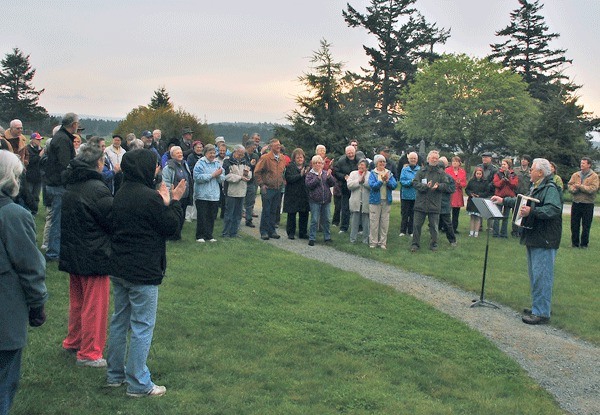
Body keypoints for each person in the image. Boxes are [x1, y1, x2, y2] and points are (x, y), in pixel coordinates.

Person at [106, 148, 185, 397]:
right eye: (154, 166)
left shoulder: (120, 194)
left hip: (119, 267)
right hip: (142, 270)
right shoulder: (149, 197)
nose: (157, 170)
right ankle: (138, 383)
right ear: (144, 169)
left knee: (120, 319)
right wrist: (173, 201)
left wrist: (163, 201)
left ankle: (115, 374)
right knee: (142, 325)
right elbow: (170, 228)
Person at [0, 151, 48, 415]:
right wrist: (37, 304)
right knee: (4, 384)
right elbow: (30, 267)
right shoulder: (13, 215)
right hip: (4, 315)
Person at [59, 144, 112, 367]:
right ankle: (90, 352)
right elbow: (112, 220)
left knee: (78, 302)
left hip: (73, 250)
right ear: (98, 163)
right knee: (95, 305)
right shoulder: (97, 189)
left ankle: (74, 340)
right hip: (94, 254)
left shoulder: (72, 184)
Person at [491, 158, 562, 325]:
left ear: (540, 173)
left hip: (544, 238)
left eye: (532, 169)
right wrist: (503, 201)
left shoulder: (550, 188)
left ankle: (542, 313)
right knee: (535, 275)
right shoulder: (536, 187)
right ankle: (538, 306)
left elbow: (553, 209)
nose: (529, 171)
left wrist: (532, 211)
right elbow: (522, 202)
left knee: (542, 276)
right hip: (534, 236)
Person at [44, 112, 79, 261]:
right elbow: (65, 165)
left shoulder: (60, 137)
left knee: (57, 219)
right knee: (57, 221)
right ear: (73, 124)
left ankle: (56, 250)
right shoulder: (63, 140)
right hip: (58, 184)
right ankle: (53, 252)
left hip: (54, 182)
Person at [410, 150, 452, 252]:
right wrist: (425, 186)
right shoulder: (421, 171)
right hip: (421, 203)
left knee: (434, 226)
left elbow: (447, 186)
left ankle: (434, 244)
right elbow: (415, 183)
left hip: (434, 203)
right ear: (428, 159)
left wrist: (438, 186)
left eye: (436, 158)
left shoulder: (441, 173)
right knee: (416, 225)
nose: (434, 160)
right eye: (433, 158)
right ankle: (415, 244)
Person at [254, 138, 286, 240]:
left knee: (274, 210)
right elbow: (257, 172)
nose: (279, 147)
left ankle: (272, 230)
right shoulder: (265, 158)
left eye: (279, 145)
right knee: (266, 211)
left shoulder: (282, 158)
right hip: (267, 188)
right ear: (271, 147)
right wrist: (261, 184)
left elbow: (282, 172)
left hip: (277, 188)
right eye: (276, 145)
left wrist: (282, 181)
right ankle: (264, 231)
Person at [193, 144, 225, 242]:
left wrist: (219, 176)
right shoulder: (200, 163)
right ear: (205, 153)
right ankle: (200, 235)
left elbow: (222, 178)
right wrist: (212, 175)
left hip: (214, 195)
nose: (212, 155)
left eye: (214, 153)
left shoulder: (217, 163)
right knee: (202, 216)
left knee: (211, 216)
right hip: (202, 194)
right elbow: (197, 178)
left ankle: (209, 235)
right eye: (210, 153)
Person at [567, 157, 599, 249]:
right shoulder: (576, 175)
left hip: (588, 204)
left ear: (589, 165)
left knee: (586, 225)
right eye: (581, 163)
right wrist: (574, 189)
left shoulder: (594, 176)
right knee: (574, 224)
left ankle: (584, 244)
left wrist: (580, 187)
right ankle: (574, 243)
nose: (581, 165)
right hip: (576, 202)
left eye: (584, 163)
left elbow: (593, 189)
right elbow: (570, 185)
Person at [368, 154, 398, 249]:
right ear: (376, 163)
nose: (382, 163)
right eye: (380, 161)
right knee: (374, 222)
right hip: (375, 201)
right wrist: (381, 180)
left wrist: (388, 181)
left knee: (384, 222)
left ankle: (382, 243)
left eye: (383, 162)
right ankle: (373, 242)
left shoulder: (389, 173)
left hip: (386, 201)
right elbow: (373, 186)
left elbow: (394, 185)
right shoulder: (372, 173)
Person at [162, 146, 192, 240]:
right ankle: (172, 236)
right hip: (174, 197)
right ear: (172, 155)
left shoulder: (185, 164)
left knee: (182, 216)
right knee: (175, 216)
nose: (180, 154)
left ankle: (178, 235)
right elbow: (166, 182)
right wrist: (170, 193)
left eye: (181, 152)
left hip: (185, 195)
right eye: (177, 153)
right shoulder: (168, 167)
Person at [305, 155, 336, 246]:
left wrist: (330, 177)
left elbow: (332, 183)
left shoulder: (325, 173)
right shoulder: (310, 174)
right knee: (314, 220)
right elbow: (309, 185)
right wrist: (317, 178)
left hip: (326, 200)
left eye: (320, 163)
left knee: (326, 219)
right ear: (313, 164)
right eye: (316, 163)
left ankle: (327, 237)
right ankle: (312, 238)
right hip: (315, 200)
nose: (318, 165)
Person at [222, 145, 251, 238]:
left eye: (242, 155)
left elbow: (249, 174)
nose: (241, 156)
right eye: (239, 154)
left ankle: (234, 232)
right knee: (229, 214)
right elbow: (226, 176)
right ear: (234, 152)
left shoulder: (245, 161)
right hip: (231, 191)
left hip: (242, 191)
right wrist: (240, 177)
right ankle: (226, 233)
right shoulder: (227, 161)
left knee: (238, 214)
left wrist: (247, 174)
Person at [283, 148, 310, 240]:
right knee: (292, 215)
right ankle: (291, 233)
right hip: (292, 194)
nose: (300, 159)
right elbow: (289, 178)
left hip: (303, 194)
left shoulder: (307, 167)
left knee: (304, 214)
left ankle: (303, 233)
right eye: (298, 158)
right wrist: (300, 175)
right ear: (294, 158)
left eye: (301, 157)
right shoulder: (290, 167)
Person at [332, 145, 359, 233]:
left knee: (358, 208)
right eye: (348, 153)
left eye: (352, 153)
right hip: (345, 188)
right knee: (345, 208)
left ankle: (359, 227)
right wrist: (343, 177)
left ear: (355, 152)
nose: (350, 155)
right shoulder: (341, 161)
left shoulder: (359, 160)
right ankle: (344, 227)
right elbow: (336, 172)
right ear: (346, 153)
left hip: (357, 188)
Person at [492, 158, 518, 238]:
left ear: (508, 165)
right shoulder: (498, 174)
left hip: (508, 197)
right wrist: (503, 180)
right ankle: (495, 233)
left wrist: (509, 179)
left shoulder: (513, 174)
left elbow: (514, 185)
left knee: (506, 216)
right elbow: (496, 184)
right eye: (502, 164)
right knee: (497, 215)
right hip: (499, 196)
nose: (502, 166)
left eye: (504, 164)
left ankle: (504, 233)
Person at [347, 159, 371, 244]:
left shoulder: (370, 174)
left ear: (367, 167)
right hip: (355, 201)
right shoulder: (353, 173)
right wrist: (358, 181)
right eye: (359, 165)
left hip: (366, 201)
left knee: (366, 222)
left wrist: (364, 182)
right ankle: (352, 239)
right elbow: (349, 185)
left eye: (363, 165)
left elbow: (371, 186)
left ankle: (366, 240)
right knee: (354, 222)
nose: (360, 167)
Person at [465, 167, 493, 237]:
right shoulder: (471, 181)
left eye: (480, 174)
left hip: (479, 201)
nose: (478, 175)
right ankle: (471, 232)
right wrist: (471, 194)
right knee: (472, 217)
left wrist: (479, 195)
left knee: (477, 217)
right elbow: (467, 189)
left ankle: (476, 232)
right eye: (477, 173)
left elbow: (487, 192)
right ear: (475, 174)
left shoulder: (485, 182)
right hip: (472, 201)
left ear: (482, 174)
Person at [399, 152, 420, 236]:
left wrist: (416, 183)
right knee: (405, 214)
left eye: (414, 158)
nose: (413, 160)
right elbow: (402, 181)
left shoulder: (420, 170)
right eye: (411, 158)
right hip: (406, 195)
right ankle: (403, 231)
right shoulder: (404, 169)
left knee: (413, 214)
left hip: (415, 195)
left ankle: (411, 231)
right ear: (408, 159)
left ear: (417, 160)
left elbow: (421, 181)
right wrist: (410, 182)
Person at [438, 157, 457, 247]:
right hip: (435, 203)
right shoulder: (434, 177)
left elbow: (452, 189)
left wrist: (441, 187)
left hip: (445, 203)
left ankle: (452, 240)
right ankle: (433, 239)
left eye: (441, 168)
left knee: (447, 223)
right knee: (433, 223)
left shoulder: (449, 178)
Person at [445, 156, 467, 233]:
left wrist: (459, 183)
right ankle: (446, 227)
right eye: (453, 161)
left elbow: (464, 183)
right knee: (447, 212)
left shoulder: (462, 171)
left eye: (456, 161)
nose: (454, 163)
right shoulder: (447, 170)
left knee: (456, 212)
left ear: (459, 163)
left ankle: (454, 228)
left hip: (458, 193)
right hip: (449, 193)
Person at [512, 154, 532, 237]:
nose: (523, 161)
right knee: (515, 212)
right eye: (522, 159)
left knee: (523, 213)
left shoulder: (531, 171)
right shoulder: (515, 170)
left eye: (525, 159)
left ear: (528, 162)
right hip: (516, 193)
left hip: (526, 194)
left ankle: (521, 230)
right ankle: (514, 230)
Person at [25, 133, 44, 215]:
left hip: (39, 177)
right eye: (37, 139)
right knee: (28, 194)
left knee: (36, 196)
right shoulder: (27, 149)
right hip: (29, 176)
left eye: (40, 139)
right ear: (32, 140)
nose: (39, 141)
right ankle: (27, 210)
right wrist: (40, 156)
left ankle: (34, 211)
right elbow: (31, 161)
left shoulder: (41, 149)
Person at [243, 140, 260, 227]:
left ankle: (248, 220)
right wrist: (250, 164)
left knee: (250, 202)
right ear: (247, 147)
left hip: (251, 182)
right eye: (251, 148)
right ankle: (237, 219)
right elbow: (243, 167)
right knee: (240, 201)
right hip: (242, 181)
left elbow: (258, 169)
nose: (253, 150)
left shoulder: (255, 156)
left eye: (254, 148)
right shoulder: (242, 155)